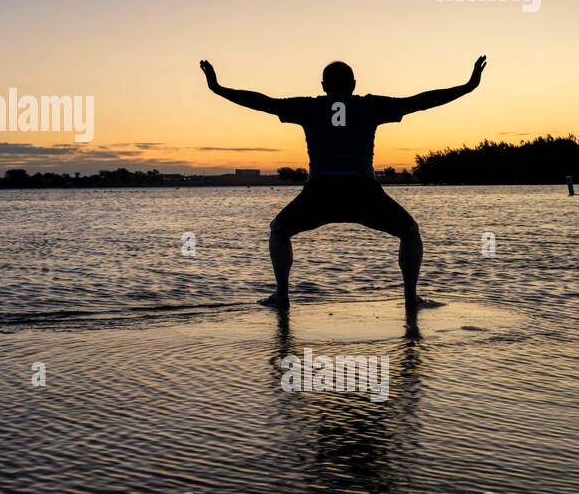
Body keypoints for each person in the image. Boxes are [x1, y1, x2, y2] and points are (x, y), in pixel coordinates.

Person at [199, 56, 487, 307]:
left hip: (321, 191)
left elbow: (262, 102)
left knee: (279, 230)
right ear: (353, 84)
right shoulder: (370, 106)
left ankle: (282, 295)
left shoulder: (309, 107)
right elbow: (419, 102)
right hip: (362, 190)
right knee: (410, 232)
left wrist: (218, 87)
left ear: (324, 86)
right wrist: (467, 86)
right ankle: (411, 298)